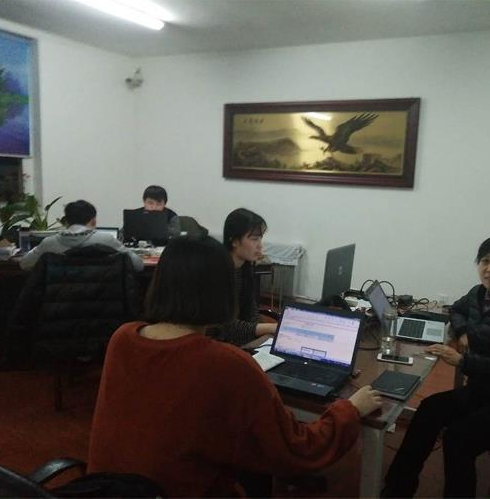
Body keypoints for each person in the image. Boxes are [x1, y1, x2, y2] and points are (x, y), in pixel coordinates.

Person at [87, 237, 382, 497]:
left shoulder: (122, 337)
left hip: (104, 489)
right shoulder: (225, 363)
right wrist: (351, 409)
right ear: (222, 292)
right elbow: (298, 449)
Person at [382, 234, 490, 498]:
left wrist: (463, 361)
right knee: (428, 410)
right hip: (485, 390)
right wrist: (463, 332)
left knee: (458, 438)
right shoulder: (479, 294)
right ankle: (397, 489)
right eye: (485, 261)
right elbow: (456, 310)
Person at [20, 200, 143, 272]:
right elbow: (138, 265)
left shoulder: (49, 243)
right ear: (93, 220)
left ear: (66, 221)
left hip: (59, 303)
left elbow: (24, 264)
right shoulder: (106, 240)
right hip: (102, 302)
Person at [215, 208, 276, 346]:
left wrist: (262, 333)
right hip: (219, 342)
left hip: (239, 340)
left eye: (260, 238)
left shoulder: (245, 267)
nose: (260, 246)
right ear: (234, 241)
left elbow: (251, 309)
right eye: (254, 239)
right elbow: (223, 327)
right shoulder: (217, 272)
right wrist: (268, 328)